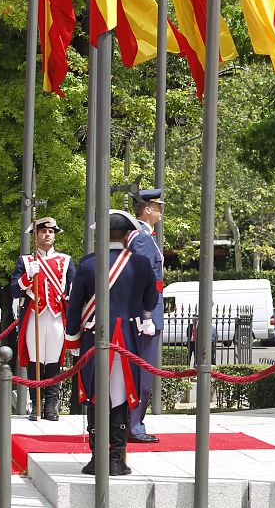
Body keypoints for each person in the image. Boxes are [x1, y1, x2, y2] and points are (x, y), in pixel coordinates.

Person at [64, 209, 158, 475]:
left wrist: (72, 338)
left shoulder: (88, 263)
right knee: (120, 396)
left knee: (96, 395)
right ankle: (116, 459)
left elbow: (75, 307)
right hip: (127, 341)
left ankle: (97, 459)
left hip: (94, 338)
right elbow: (150, 300)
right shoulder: (140, 263)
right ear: (128, 235)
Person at [10, 217, 75, 421]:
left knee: (54, 361)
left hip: (56, 316)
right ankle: (36, 405)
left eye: (51, 232)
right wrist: (27, 277)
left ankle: (51, 407)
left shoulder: (65, 261)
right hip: (34, 317)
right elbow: (14, 291)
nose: (48, 234)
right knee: (35, 360)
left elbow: (74, 289)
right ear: (36, 235)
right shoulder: (26, 261)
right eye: (43, 231)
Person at [126, 189, 165, 443]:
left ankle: (133, 423)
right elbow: (142, 279)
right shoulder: (141, 237)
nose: (161, 211)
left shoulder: (146, 236)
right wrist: (147, 314)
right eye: (158, 206)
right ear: (146, 209)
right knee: (143, 374)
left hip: (148, 311)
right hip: (145, 314)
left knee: (143, 372)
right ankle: (134, 426)